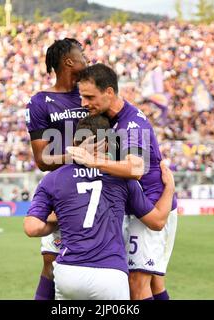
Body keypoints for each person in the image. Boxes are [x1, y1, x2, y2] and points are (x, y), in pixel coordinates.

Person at [24, 115, 175, 300]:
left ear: (74, 141)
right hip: (110, 274)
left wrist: (61, 219)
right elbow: (157, 222)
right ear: (107, 143)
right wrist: (170, 189)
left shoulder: (53, 178)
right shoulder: (122, 179)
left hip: (68, 272)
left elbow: (32, 228)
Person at [68, 64, 178, 300]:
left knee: (136, 284)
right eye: (82, 96)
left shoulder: (131, 124)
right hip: (135, 207)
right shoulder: (109, 118)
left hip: (151, 206)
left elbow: (136, 167)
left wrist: (93, 160)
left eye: (89, 97)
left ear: (109, 92)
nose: (84, 103)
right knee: (154, 282)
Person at [25, 38, 90, 300]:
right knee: (51, 262)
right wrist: (78, 156)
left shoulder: (91, 94)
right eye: (82, 55)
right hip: (62, 192)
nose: (87, 60)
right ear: (68, 61)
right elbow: (42, 159)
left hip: (99, 187)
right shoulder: (41, 101)